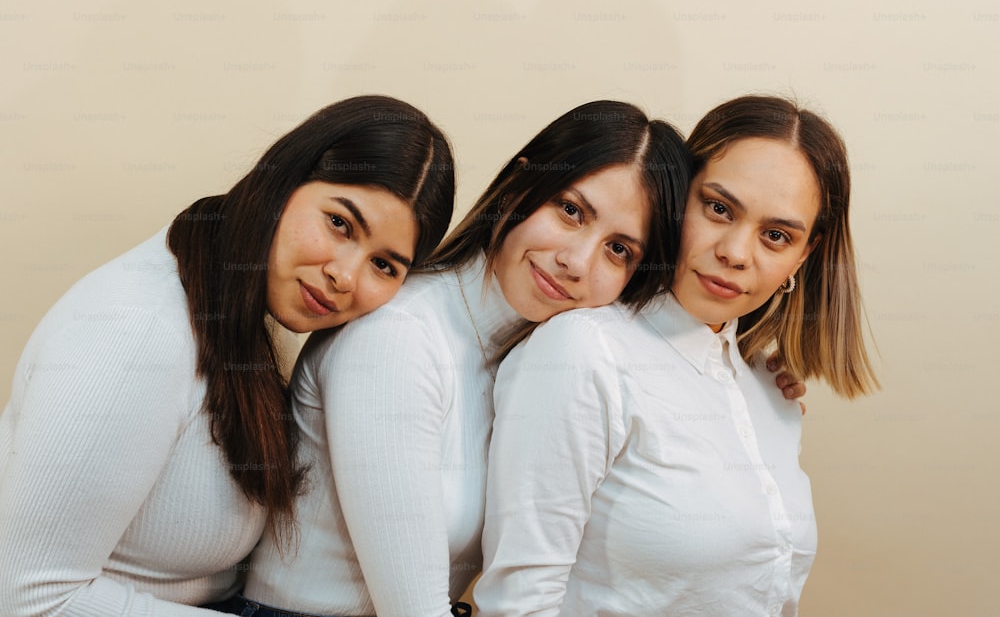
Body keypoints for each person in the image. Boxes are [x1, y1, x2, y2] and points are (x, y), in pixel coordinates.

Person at [236, 100, 805, 617]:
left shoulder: (528, 354)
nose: (576, 262)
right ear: (518, 184)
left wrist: (745, 378)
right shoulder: (398, 337)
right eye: (570, 211)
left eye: (618, 249)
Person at [0, 95, 456, 617]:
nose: (345, 276)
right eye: (340, 224)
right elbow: (30, 597)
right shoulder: (137, 330)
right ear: (284, 181)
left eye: (384, 265)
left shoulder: (242, 308)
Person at [475, 95, 879, 616]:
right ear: (676, 198)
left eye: (776, 236)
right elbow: (519, 600)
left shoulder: (767, 387)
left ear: (806, 253)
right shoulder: (584, 351)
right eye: (718, 208)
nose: (735, 251)